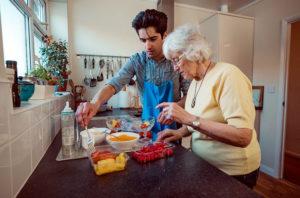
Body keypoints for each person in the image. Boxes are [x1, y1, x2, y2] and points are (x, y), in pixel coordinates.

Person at [156, 24, 261, 189]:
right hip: (206, 165)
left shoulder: (228, 75)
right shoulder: (196, 81)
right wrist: (179, 132)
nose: (175, 67)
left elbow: (243, 136)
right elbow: (200, 121)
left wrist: (188, 118)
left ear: (193, 53)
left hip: (233, 172)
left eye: (176, 60)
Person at [75, 9, 190, 141]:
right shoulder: (137, 61)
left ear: (164, 35)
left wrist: (175, 107)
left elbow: (190, 95)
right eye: (143, 40)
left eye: (153, 39)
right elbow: (113, 85)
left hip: (173, 129)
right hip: (146, 129)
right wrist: (95, 103)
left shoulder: (177, 61)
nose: (148, 46)